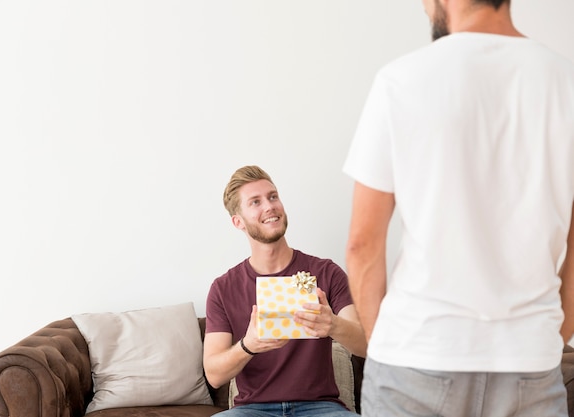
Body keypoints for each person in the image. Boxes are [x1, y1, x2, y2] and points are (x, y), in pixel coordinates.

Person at [343, 0, 574, 416]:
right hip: (529, 362)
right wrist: (546, 340)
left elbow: (363, 245)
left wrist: (383, 347)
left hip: (415, 360)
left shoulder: (402, 80)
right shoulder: (566, 82)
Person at [204, 165, 366, 417]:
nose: (269, 206)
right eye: (255, 202)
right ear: (238, 222)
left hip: (320, 407)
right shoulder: (223, 288)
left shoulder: (326, 272)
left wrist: (333, 325)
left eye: (272, 196)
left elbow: (365, 346)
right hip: (252, 410)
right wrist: (248, 345)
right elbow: (214, 375)